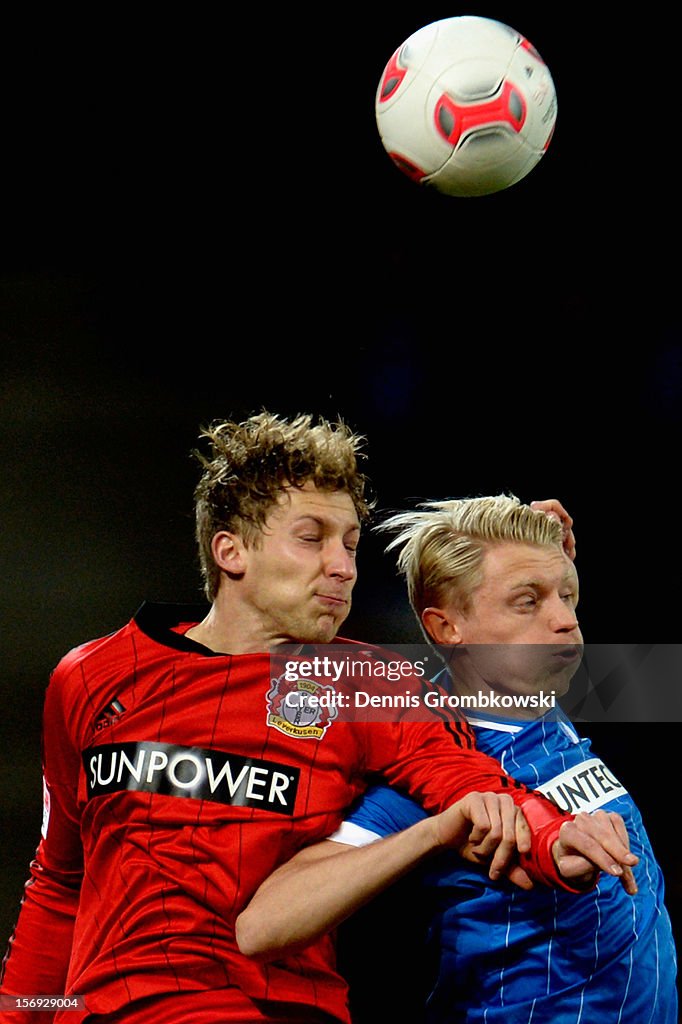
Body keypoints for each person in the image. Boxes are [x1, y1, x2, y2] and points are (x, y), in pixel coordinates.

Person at [0, 415, 637, 1024]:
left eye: (351, 544)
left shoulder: (366, 682)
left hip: (277, 1006)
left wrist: (555, 839)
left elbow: (469, 775)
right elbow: (60, 884)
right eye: (313, 538)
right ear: (231, 550)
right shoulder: (89, 676)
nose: (343, 566)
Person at [235, 493, 678, 1023]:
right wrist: (434, 832)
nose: (564, 620)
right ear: (447, 630)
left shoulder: (531, 698)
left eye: (568, 596)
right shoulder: (435, 768)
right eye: (528, 602)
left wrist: (541, 561)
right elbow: (262, 925)